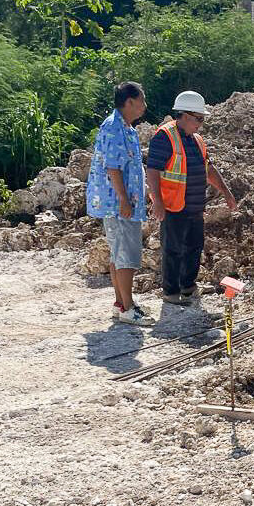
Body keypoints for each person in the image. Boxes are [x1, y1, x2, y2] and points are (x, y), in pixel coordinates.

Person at [145, 91, 237, 307]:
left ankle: (188, 287)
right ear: (184, 115)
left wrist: (227, 193)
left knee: (194, 247)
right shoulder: (165, 136)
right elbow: (153, 170)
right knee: (173, 249)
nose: (201, 124)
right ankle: (171, 291)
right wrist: (157, 201)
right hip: (173, 205)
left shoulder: (196, 140)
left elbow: (208, 168)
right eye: (199, 119)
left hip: (194, 206)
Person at [86, 81, 154, 326]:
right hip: (119, 203)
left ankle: (121, 303)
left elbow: (129, 166)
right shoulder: (114, 127)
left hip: (124, 202)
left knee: (118, 254)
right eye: (141, 101)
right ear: (129, 102)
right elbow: (113, 168)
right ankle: (127, 308)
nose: (144, 106)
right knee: (126, 255)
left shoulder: (127, 129)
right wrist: (125, 199)